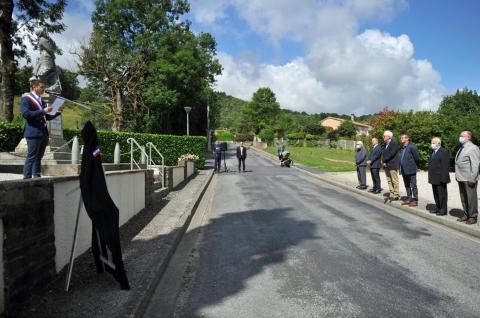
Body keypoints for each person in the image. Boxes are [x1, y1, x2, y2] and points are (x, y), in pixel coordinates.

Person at [21, 79, 62, 179]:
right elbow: (26, 114)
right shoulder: (27, 99)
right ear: (34, 87)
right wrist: (43, 111)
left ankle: (37, 175)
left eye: (44, 87)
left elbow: (46, 117)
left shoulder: (41, 101)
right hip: (33, 132)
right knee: (31, 157)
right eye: (41, 87)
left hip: (43, 133)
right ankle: (26, 178)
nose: (43, 89)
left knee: (38, 157)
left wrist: (57, 112)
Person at [455, 131, 480, 224]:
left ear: (469, 137)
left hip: (469, 178)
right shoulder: (461, 148)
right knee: (463, 198)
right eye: (460, 135)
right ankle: (466, 214)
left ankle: (473, 216)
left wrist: (472, 178)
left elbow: (475, 164)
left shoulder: (473, 148)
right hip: (461, 177)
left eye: (462, 136)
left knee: (471, 198)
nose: (460, 137)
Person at [428, 137, 450, 216]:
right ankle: (438, 208)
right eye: (432, 143)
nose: (432, 144)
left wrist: (444, 179)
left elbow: (445, 166)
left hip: (440, 178)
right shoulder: (433, 152)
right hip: (434, 177)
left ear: (439, 143)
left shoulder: (443, 152)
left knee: (442, 195)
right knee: (436, 194)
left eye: (434, 143)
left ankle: (443, 210)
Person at [399, 134, 420, 207]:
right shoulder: (402, 148)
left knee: (413, 185)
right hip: (404, 170)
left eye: (402, 137)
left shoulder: (412, 147)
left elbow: (417, 158)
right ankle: (409, 198)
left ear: (407, 139)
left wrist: (414, 166)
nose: (401, 139)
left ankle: (415, 200)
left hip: (411, 170)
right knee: (407, 185)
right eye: (401, 137)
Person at [381, 130, 400, 201]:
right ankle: (391, 193)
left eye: (384, 136)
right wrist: (383, 161)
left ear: (389, 137)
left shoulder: (394, 143)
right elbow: (384, 154)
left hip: (392, 165)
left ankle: (396, 194)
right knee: (389, 180)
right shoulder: (385, 144)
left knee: (394, 180)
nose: (383, 137)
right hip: (386, 165)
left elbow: (391, 154)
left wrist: (384, 160)